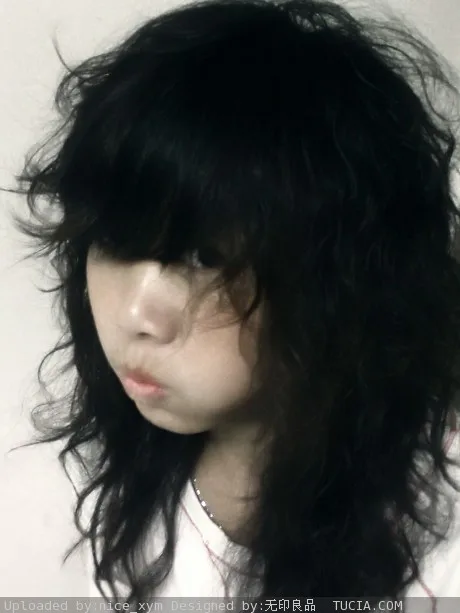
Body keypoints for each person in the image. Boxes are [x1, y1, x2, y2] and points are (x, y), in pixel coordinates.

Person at [9, 0, 460, 605]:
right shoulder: (97, 477)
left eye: (205, 257)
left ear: (340, 277)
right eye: (115, 239)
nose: (134, 316)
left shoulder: (441, 542)